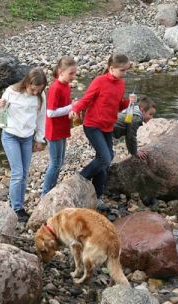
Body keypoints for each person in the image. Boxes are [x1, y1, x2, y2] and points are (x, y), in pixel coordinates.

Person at [69, 54, 133, 210]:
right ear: (111, 68)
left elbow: (118, 106)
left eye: (126, 70)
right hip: (93, 125)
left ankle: (97, 197)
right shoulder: (99, 81)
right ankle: (80, 179)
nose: (125, 73)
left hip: (107, 126)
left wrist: (128, 103)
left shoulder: (121, 84)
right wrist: (75, 109)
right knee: (106, 157)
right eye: (122, 70)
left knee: (105, 161)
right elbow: (86, 99)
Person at [0, 67, 47, 222]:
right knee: (17, 172)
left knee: (24, 173)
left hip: (27, 138)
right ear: (27, 83)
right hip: (10, 136)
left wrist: (40, 138)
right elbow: (0, 112)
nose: (35, 93)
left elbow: (41, 118)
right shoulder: (12, 92)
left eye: (39, 90)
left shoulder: (41, 96)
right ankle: (16, 208)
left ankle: (19, 204)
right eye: (33, 89)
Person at [41, 56, 77, 196]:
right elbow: (50, 112)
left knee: (60, 162)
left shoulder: (66, 85)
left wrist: (71, 109)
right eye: (71, 73)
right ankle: (45, 193)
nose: (73, 76)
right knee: (55, 163)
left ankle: (51, 188)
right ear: (61, 72)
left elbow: (65, 106)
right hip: (54, 131)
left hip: (62, 128)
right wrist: (70, 107)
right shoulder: (55, 88)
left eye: (75, 73)